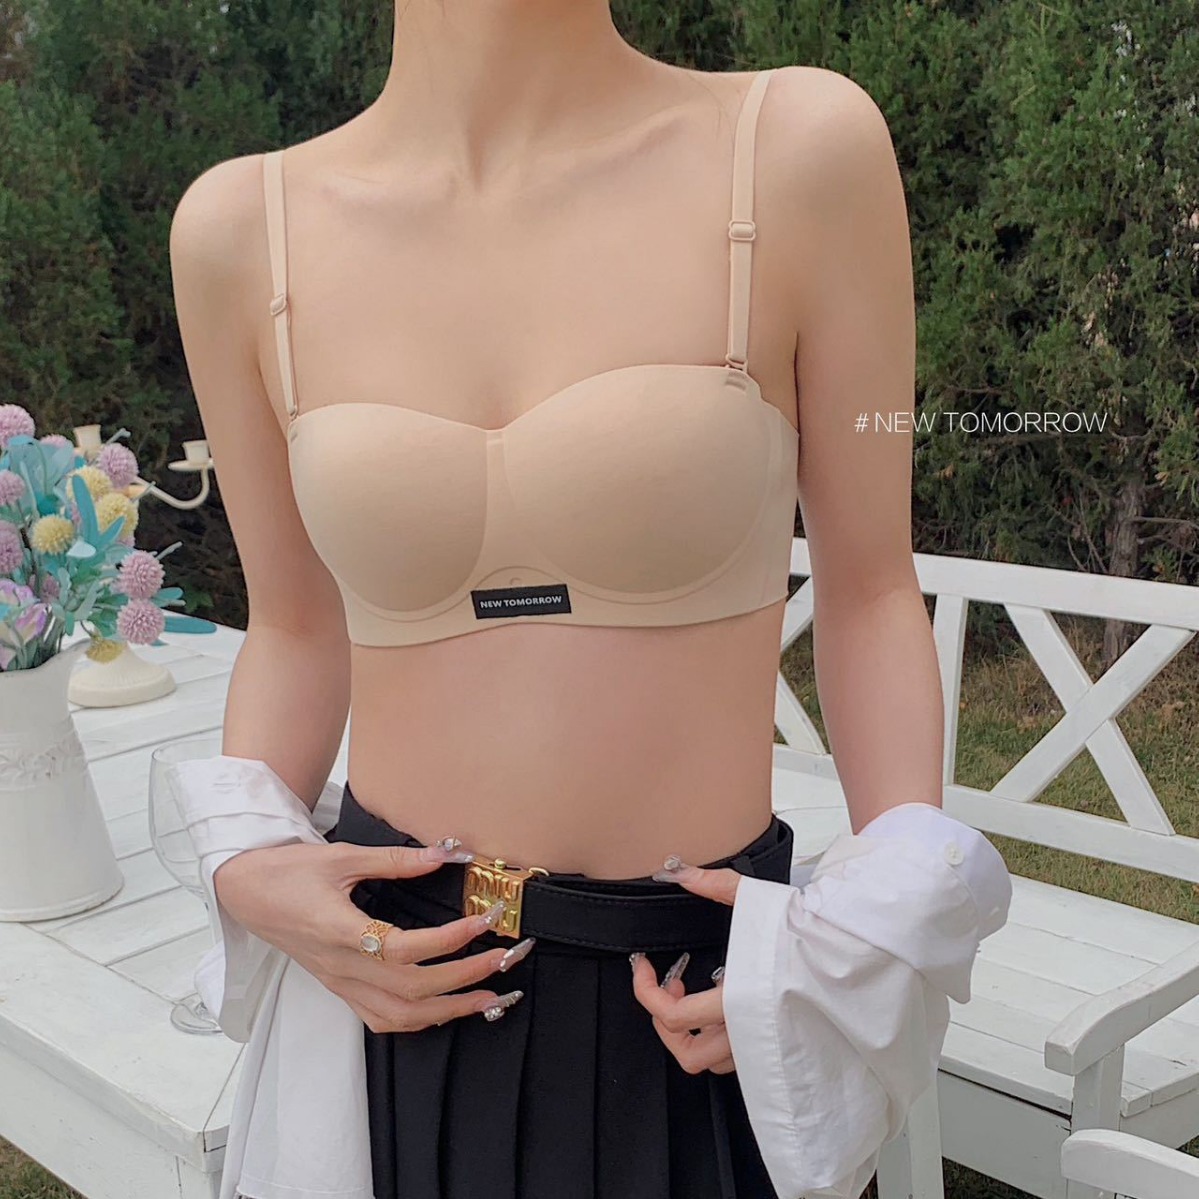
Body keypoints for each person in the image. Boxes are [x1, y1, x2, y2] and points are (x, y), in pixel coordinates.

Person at [168, 4, 1013, 1199]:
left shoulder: (797, 149)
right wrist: (249, 858)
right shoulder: (238, 229)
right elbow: (296, 625)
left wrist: (874, 929)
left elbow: (869, 585)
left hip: (695, 997)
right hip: (398, 985)